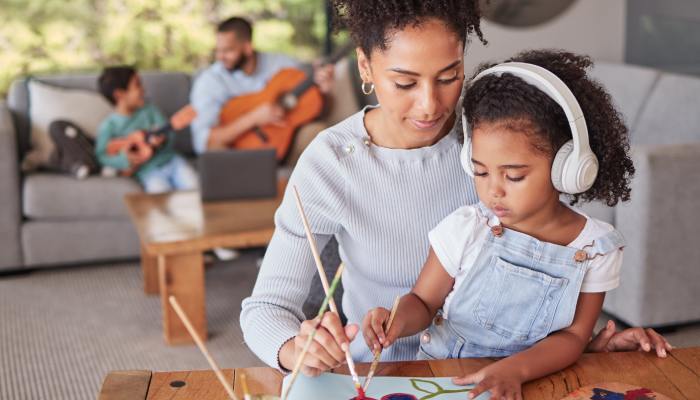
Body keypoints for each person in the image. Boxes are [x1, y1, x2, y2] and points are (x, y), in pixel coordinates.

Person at [240, 0, 671, 377]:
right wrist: (293, 349)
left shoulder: (496, 138)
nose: (430, 105)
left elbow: (538, 270)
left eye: (449, 77)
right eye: (405, 83)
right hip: (386, 372)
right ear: (365, 66)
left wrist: (585, 343)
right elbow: (265, 309)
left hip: (506, 371)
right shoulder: (331, 162)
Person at [362, 49, 643, 400]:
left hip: (533, 381)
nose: (493, 190)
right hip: (449, 383)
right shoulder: (467, 227)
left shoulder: (594, 247)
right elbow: (422, 301)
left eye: (513, 175)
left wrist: (514, 369)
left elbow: (573, 337)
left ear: (566, 168)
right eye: (480, 171)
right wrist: (395, 320)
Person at [189, 16, 335, 156]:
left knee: (318, 131)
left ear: (247, 47)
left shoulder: (281, 65)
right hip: (238, 155)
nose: (220, 57)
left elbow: (313, 107)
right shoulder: (210, 81)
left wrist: (324, 90)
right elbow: (204, 142)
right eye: (218, 51)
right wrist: (253, 118)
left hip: (283, 143)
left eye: (228, 51)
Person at [96, 66, 197, 193]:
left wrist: (162, 141)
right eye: (137, 85)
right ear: (119, 95)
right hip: (148, 172)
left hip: (172, 161)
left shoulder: (150, 110)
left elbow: (170, 135)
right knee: (159, 195)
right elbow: (101, 155)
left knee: (194, 187)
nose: (143, 90)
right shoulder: (109, 125)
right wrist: (125, 160)